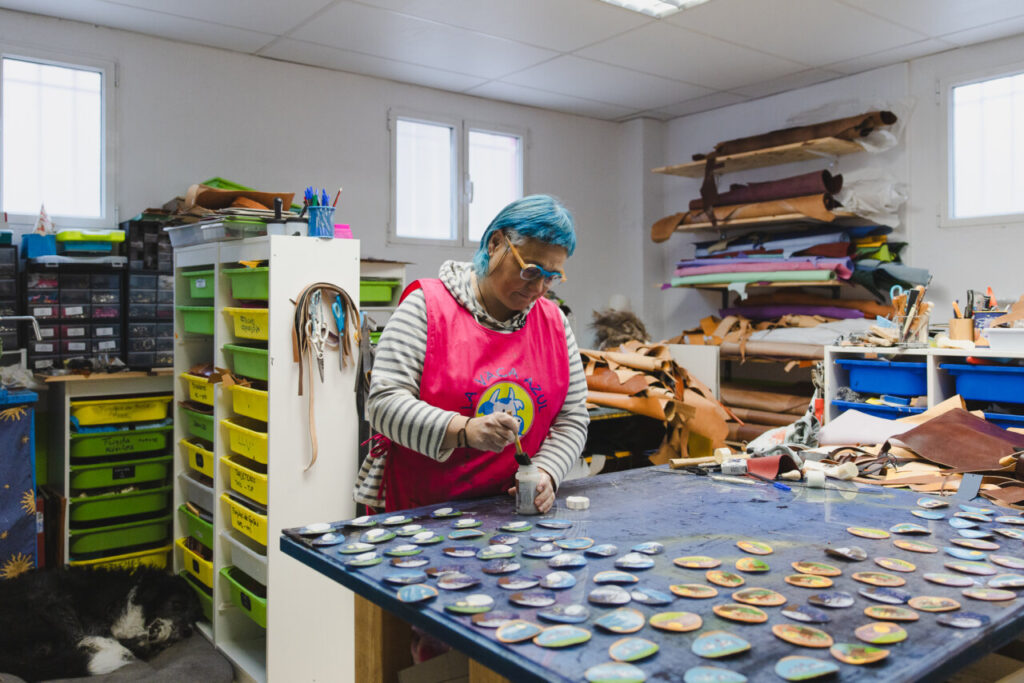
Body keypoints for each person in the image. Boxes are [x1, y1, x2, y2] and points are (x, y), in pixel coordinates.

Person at [354, 194, 589, 514]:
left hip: (511, 514)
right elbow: (384, 405)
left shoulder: (554, 324)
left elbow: (572, 420)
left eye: (550, 277)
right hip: (422, 514)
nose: (538, 288)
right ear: (495, 244)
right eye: (530, 270)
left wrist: (547, 470)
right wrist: (464, 431)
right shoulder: (426, 308)